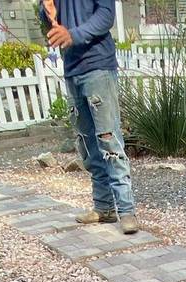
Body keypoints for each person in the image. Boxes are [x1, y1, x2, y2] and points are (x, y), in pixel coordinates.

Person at [41, 0, 139, 234]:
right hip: (72, 69)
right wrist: (47, 13)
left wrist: (72, 34)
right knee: (87, 143)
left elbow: (105, 15)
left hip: (98, 66)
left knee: (109, 139)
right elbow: (52, 26)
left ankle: (126, 210)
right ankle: (104, 207)